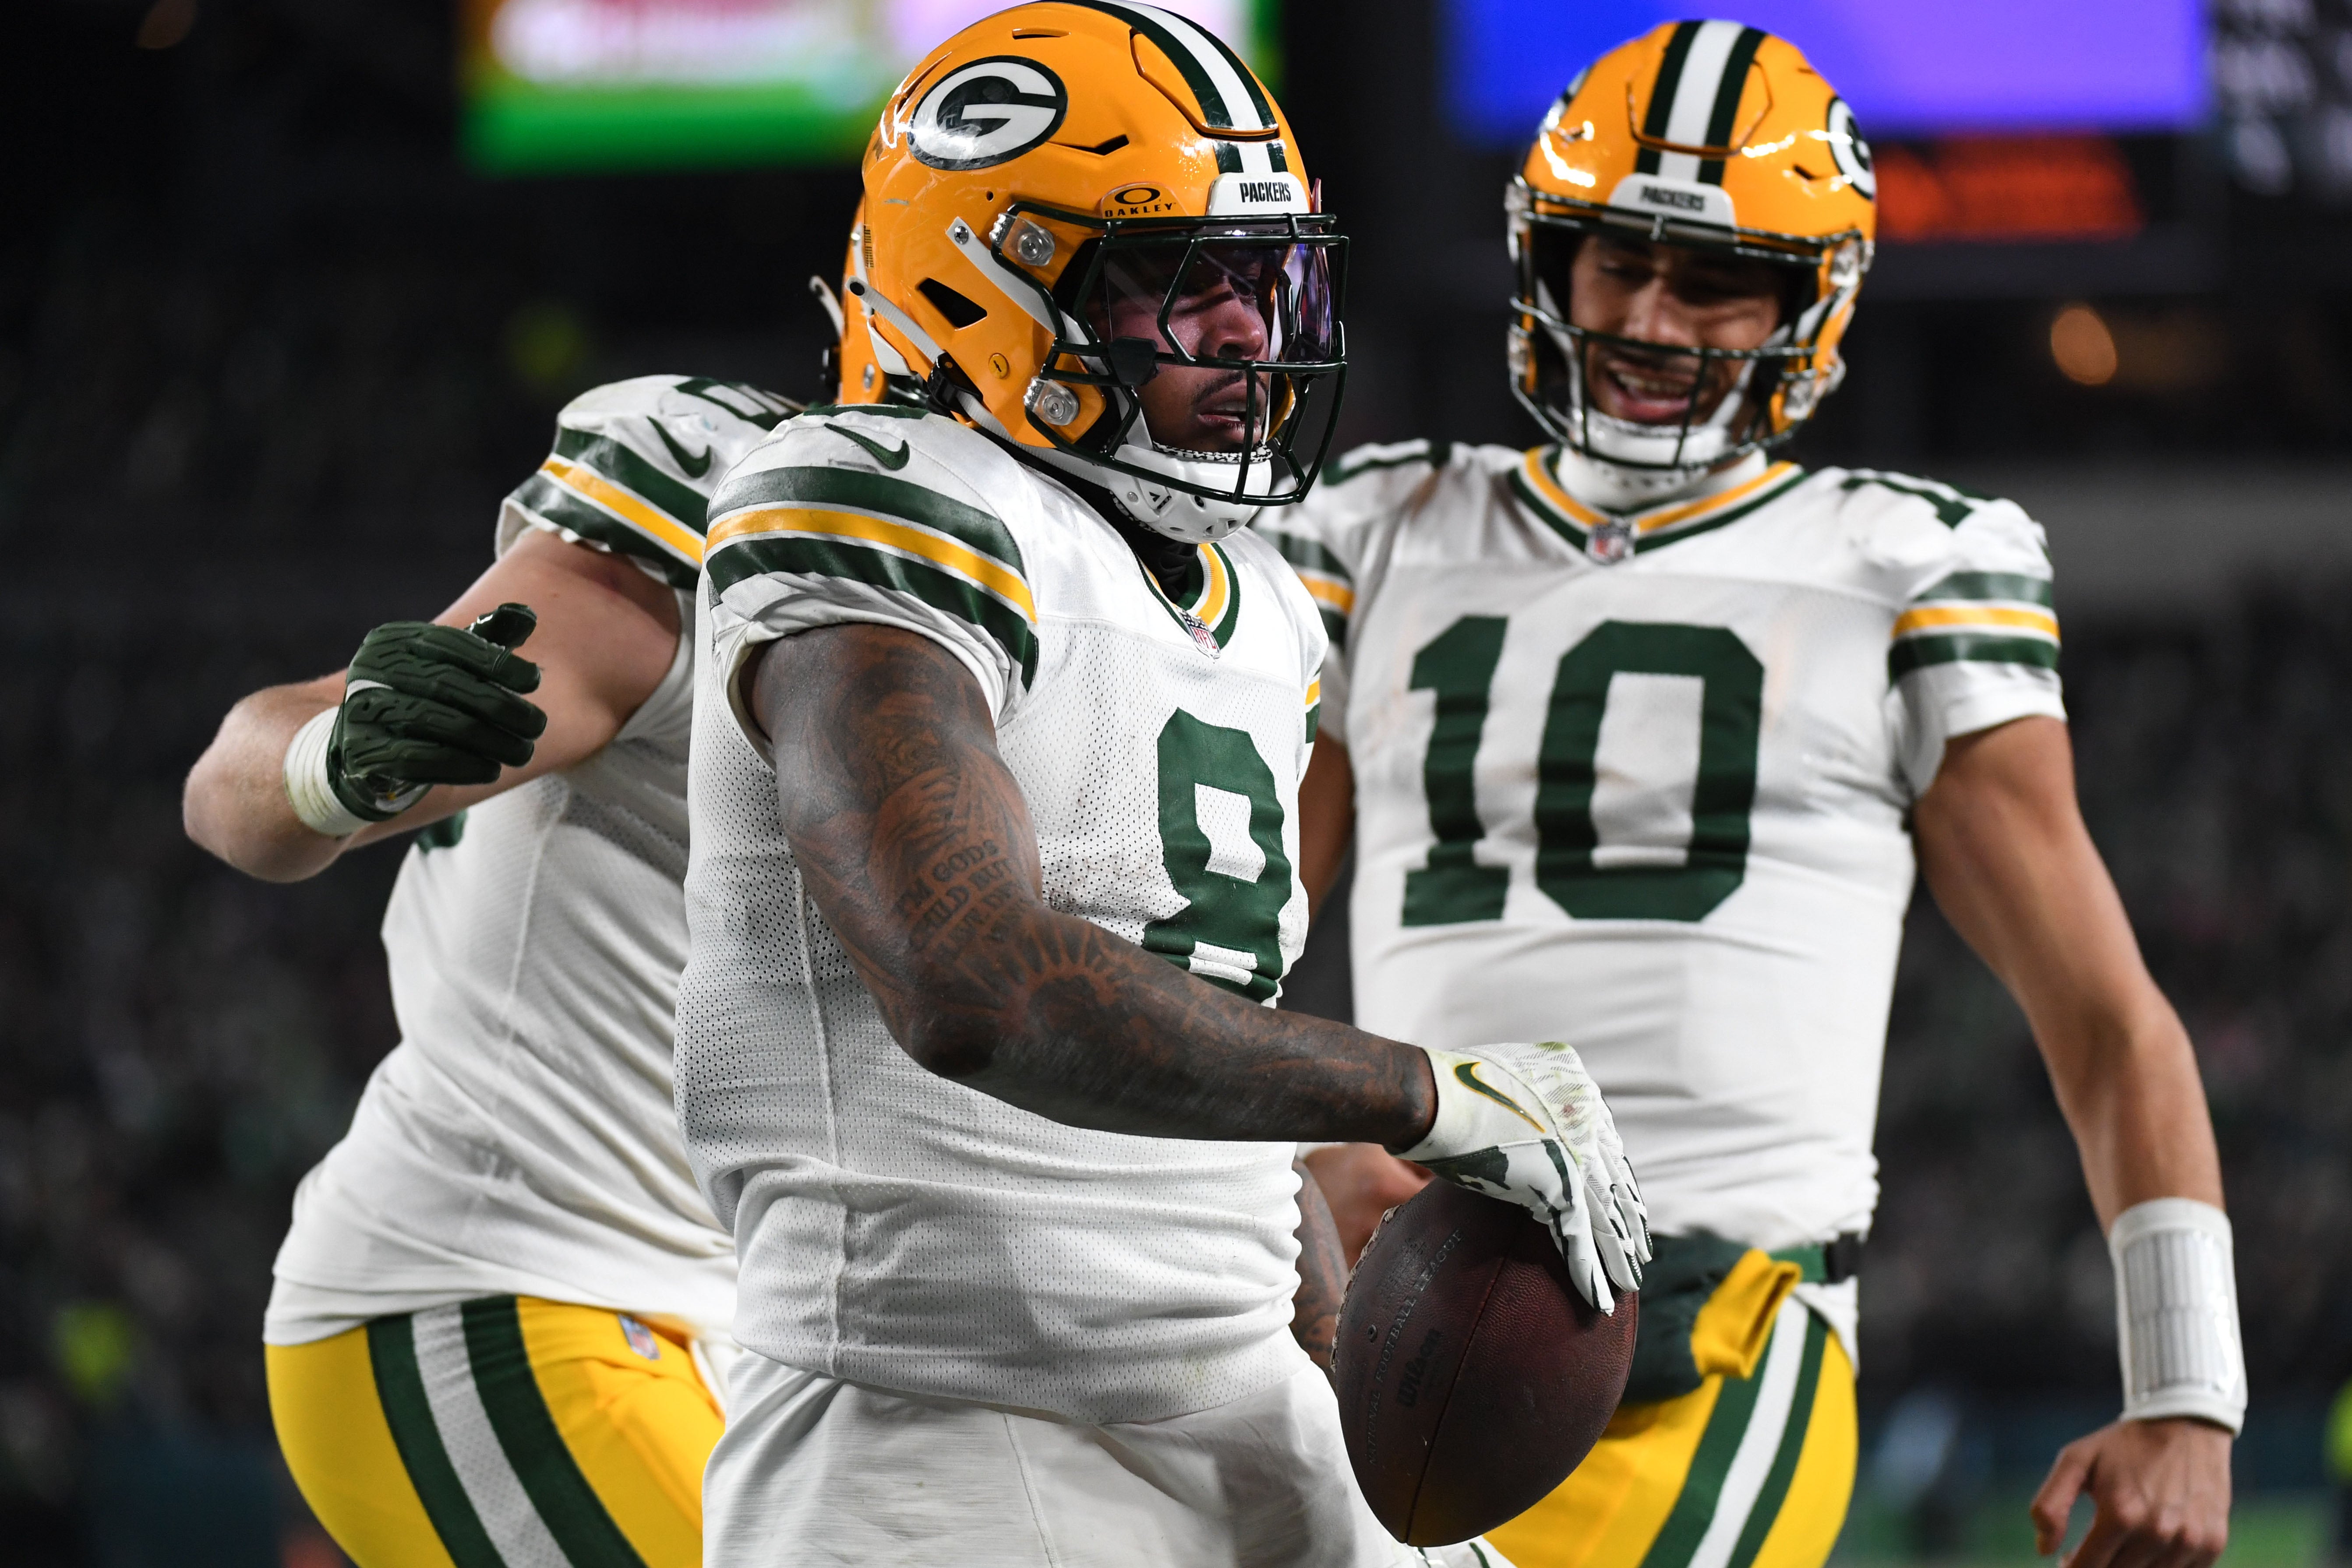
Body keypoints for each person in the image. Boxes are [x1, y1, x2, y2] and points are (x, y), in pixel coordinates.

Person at [670, 5, 1648, 1565]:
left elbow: (1223, 1145)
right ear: (969, 282)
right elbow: (972, 976)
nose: (1251, 332)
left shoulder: (1256, 597)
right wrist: (1423, 1092)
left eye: (1262, 279)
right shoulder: (868, 497)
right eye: (1173, 282)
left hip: (1232, 1397)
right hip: (940, 1432)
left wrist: (1346, 1361)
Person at [1261, 22, 2242, 1568]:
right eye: (1616, 259)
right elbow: (1211, 942)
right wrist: (1280, 1143)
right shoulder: (1374, 528)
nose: (1649, 314)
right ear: (1548, 262)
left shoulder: (1906, 560)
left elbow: (2107, 1019)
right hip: (1399, 1293)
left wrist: (2186, 1389)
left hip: (1725, 1315)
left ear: (1810, 302)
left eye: (1713, 275)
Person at [183, 369, 799, 1567]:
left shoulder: (1131, 609)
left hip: (746, 1330)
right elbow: (231, 791)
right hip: (508, 1286)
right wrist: (331, 762)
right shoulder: (735, 514)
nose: (1242, 328)